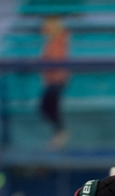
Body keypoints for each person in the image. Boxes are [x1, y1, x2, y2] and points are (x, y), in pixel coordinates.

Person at [40, 16, 70, 149]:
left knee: (49, 106)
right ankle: (59, 133)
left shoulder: (59, 41)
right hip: (52, 80)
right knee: (48, 107)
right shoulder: (52, 42)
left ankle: (61, 133)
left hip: (57, 80)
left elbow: (55, 60)